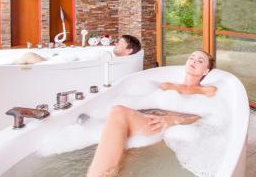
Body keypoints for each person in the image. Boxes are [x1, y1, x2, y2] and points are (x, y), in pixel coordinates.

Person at [86, 50, 217, 177]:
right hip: (152, 120)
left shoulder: (207, 91)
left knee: (118, 111)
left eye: (200, 61)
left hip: (170, 126)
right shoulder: (167, 85)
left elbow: (203, 117)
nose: (194, 61)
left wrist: (172, 119)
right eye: (192, 57)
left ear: (206, 71)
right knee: (118, 114)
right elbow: (148, 102)